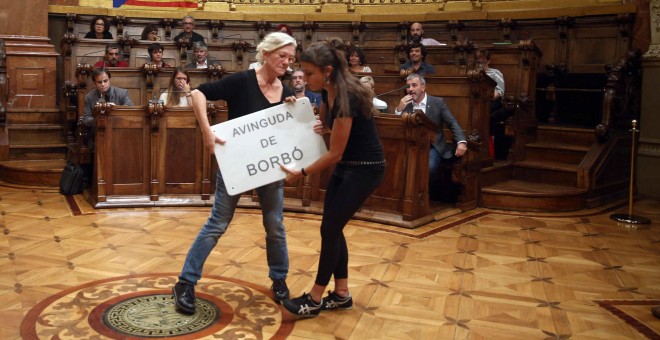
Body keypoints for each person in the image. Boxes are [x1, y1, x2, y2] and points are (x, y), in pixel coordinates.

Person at [172, 32, 298, 315]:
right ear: (266, 54)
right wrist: (207, 131)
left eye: (291, 58)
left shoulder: (288, 92)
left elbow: (289, 134)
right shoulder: (243, 80)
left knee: (275, 226)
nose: (287, 63)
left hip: (270, 169)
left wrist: (299, 118)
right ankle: (185, 283)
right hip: (237, 164)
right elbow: (198, 94)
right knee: (217, 223)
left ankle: (279, 279)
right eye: (282, 56)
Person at [280, 38, 385, 318]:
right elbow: (323, 127)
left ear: (327, 70)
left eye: (309, 73)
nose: (304, 78)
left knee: (329, 228)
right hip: (348, 165)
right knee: (332, 227)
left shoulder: (348, 95)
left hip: (365, 168)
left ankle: (314, 298)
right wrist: (298, 106)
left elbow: (335, 153)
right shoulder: (328, 91)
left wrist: (301, 173)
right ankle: (341, 294)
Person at [394, 74, 467, 199]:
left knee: (430, 167)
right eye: (408, 86)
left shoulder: (437, 103)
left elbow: (452, 123)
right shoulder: (405, 105)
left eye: (414, 85)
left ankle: (422, 196)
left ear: (423, 87)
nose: (410, 89)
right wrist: (399, 110)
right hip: (410, 145)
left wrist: (462, 141)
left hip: (432, 146)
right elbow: (395, 128)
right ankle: (401, 196)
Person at [82, 69, 133, 149]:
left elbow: (131, 110)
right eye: (99, 82)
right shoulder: (89, 97)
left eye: (105, 81)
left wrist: (115, 108)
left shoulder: (122, 93)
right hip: (98, 131)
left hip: (118, 129)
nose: (103, 84)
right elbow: (86, 119)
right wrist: (98, 118)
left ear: (109, 80)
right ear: (95, 83)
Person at [476, 49, 508, 160]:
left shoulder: (495, 73)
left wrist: (486, 97)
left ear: (488, 61)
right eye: (478, 61)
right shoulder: (473, 73)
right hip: (476, 101)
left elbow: (499, 92)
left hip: (492, 101)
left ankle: (484, 146)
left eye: (483, 61)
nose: (480, 64)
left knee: (483, 113)